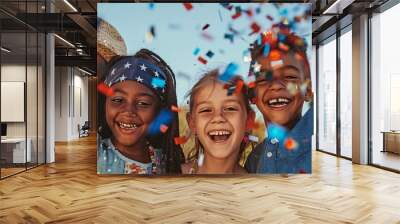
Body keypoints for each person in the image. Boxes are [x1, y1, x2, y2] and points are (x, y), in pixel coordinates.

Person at [97, 49, 184, 175]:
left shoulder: (167, 163)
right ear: (105, 103)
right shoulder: (96, 152)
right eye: (118, 99)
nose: (128, 111)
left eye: (143, 103)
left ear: (158, 111)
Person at [245, 23, 313, 174]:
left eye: (289, 76)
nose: (275, 86)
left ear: (307, 91)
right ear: (252, 95)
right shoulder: (254, 159)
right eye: (263, 79)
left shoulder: (314, 151)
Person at [181, 69, 253, 174]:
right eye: (206, 110)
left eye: (230, 108)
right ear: (192, 122)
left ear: (249, 121)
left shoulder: (257, 186)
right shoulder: (168, 180)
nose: (218, 118)